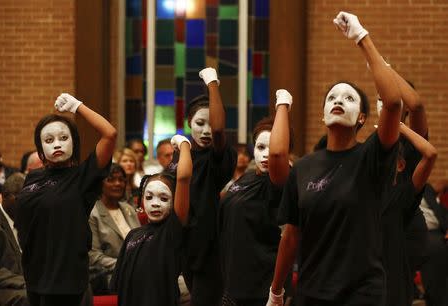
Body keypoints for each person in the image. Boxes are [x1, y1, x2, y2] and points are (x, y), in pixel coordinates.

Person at [267, 11, 402, 306]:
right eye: (332, 98)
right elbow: (290, 234)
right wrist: (276, 292)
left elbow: (393, 102)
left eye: (349, 98)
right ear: (323, 114)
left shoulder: (371, 157)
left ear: (362, 118)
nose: (339, 100)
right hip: (311, 293)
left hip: (360, 294)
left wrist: (360, 36)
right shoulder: (303, 167)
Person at [15, 93, 116, 306]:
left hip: (65, 280)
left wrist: (78, 106)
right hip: (34, 275)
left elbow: (109, 134)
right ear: (40, 149)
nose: (57, 144)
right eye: (49, 140)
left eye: (63, 137)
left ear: (74, 142)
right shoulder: (33, 177)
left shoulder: (83, 177)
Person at [168, 67, 237, 306]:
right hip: (182, 245)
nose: (206, 130)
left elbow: (218, 130)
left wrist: (213, 83)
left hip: (209, 251)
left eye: (210, 123)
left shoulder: (219, 156)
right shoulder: (180, 156)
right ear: (189, 122)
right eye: (199, 123)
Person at [219, 89, 292, 305]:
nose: (267, 154)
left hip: (262, 287)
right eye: (261, 147)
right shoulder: (247, 178)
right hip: (233, 285)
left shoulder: (280, 181)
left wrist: (283, 105)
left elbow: (278, 155)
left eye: (272, 147)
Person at [111, 135, 192, 306]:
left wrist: (184, 144)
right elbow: (119, 283)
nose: (155, 204)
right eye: (149, 197)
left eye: (164, 198)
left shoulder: (172, 229)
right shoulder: (133, 234)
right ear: (141, 201)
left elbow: (183, 178)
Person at [381, 122, 437, 306]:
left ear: (400, 165)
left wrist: (398, 125)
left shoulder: (402, 194)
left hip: (394, 281)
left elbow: (430, 154)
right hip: (366, 280)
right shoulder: (364, 191)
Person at [88, 163, 140, 294]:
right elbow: (94, 256)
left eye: (121, 179)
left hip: (138, 269)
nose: (118, 184)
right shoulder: (92, 213)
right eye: (111, 180)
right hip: (111, 275)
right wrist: (126, 266)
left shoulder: (128, 209)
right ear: (100, 184)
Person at [0, 173, 27, 306]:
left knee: (81, 288)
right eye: (23, 200)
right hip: (5, 288)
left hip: (28, 283)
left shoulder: (28, 221)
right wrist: (24, 282)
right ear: (6, 198)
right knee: (32, 298)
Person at [419, 182, 448, 306]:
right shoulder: (399, 187)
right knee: (436, 247)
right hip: (423, 232)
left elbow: (441, 210)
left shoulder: (426, 187)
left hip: (439, 230)